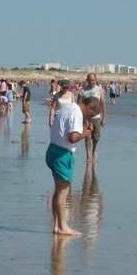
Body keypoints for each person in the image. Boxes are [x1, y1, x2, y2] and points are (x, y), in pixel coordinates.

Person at [46, 92, 98, 236]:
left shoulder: (67, 106)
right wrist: (86, 133)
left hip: (52, 149)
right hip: (62, 154)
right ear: (90, 108)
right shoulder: (77, 113)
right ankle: (63, 226)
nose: (88, 118)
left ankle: (57, 225)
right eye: (90, 115)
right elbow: (72, 137)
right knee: (63, 192)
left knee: (58, 191)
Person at [77, 73, 107, 162]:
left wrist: (104, 117)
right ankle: (88, 154)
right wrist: (81, 118)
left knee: (96, 137)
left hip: (97, 117)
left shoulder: (99, 90)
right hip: (86, 117)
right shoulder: (82, 91)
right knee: (87, 136)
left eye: (93, 80)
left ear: (96, 80)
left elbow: (103, 104)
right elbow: (78, 105)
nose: (91, 82)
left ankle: (94, 151)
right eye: (90, 80)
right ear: (87, 80)